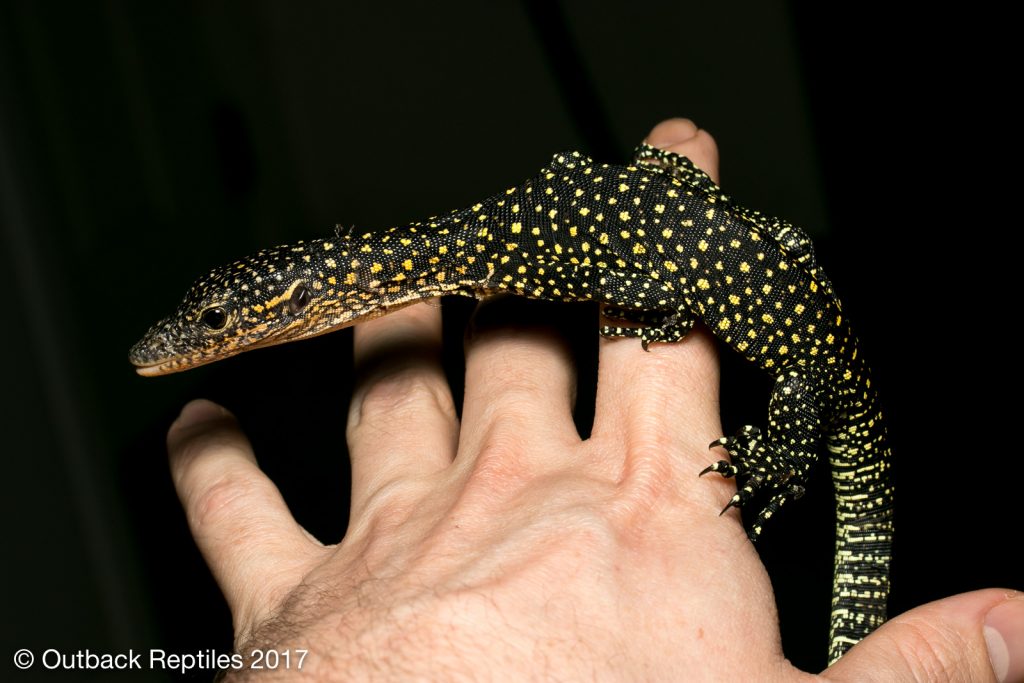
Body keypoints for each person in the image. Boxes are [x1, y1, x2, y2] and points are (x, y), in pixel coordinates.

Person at [166, 119, 1023, 681]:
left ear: (303, 302)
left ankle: (776, 467)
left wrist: (757, 447)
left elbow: (642, 274)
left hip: (814, 372)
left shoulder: (503, 254)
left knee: (789, 426)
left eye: (212, 322)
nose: (198, 334)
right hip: (767, 283)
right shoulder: (485, 249)